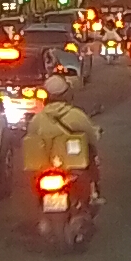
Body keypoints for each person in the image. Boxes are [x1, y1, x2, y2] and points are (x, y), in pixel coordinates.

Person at [22, 75, 103, 204]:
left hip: (46, 169)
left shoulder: (38, 119)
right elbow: (92, 137)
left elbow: (31, 137)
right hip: (73, 167)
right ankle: (94, 193)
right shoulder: (76, 115)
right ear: (66, 94)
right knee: (91, 152)